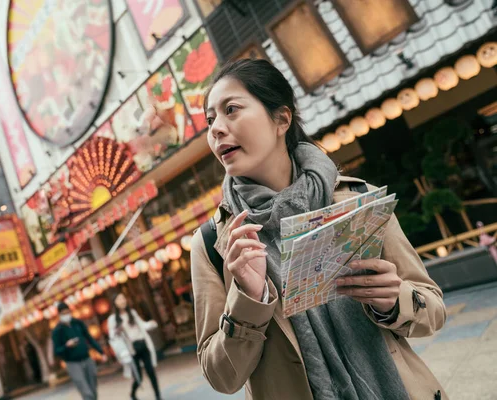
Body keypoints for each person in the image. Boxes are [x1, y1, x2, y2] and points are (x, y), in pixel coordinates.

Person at [190, 59, 448, 400]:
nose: (216, 129)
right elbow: (222, 377)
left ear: (282, 118)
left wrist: (392, 299)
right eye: (210, 120)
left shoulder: (358, 200)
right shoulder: (215, 243)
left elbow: (433, 309)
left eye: (231, 109)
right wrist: (250, 300)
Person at [107, 293, 160, 400]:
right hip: (131, 349)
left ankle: (158, 396)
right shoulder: (113, 319)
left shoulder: (132, 313)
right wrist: (118, 330)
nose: (122, 301)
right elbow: (112, 336)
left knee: (151, 372)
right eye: (119, 299)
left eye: (123, 298)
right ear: (115, 303)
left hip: (142, 344)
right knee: (138, 376)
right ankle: (132, 393)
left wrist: (151, 324)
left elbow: (142, 324)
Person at [52, 302, 107, 400]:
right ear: (59, 315)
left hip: (87, 358)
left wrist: (101, 352)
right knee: (85, 390)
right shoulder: (57, 330)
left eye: (68, 312)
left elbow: (89, 338)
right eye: (64, 313)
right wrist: (66, 346)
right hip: (72, 363)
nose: (66, 315)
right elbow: (57, 351)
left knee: (93, 387)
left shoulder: (78, 323)